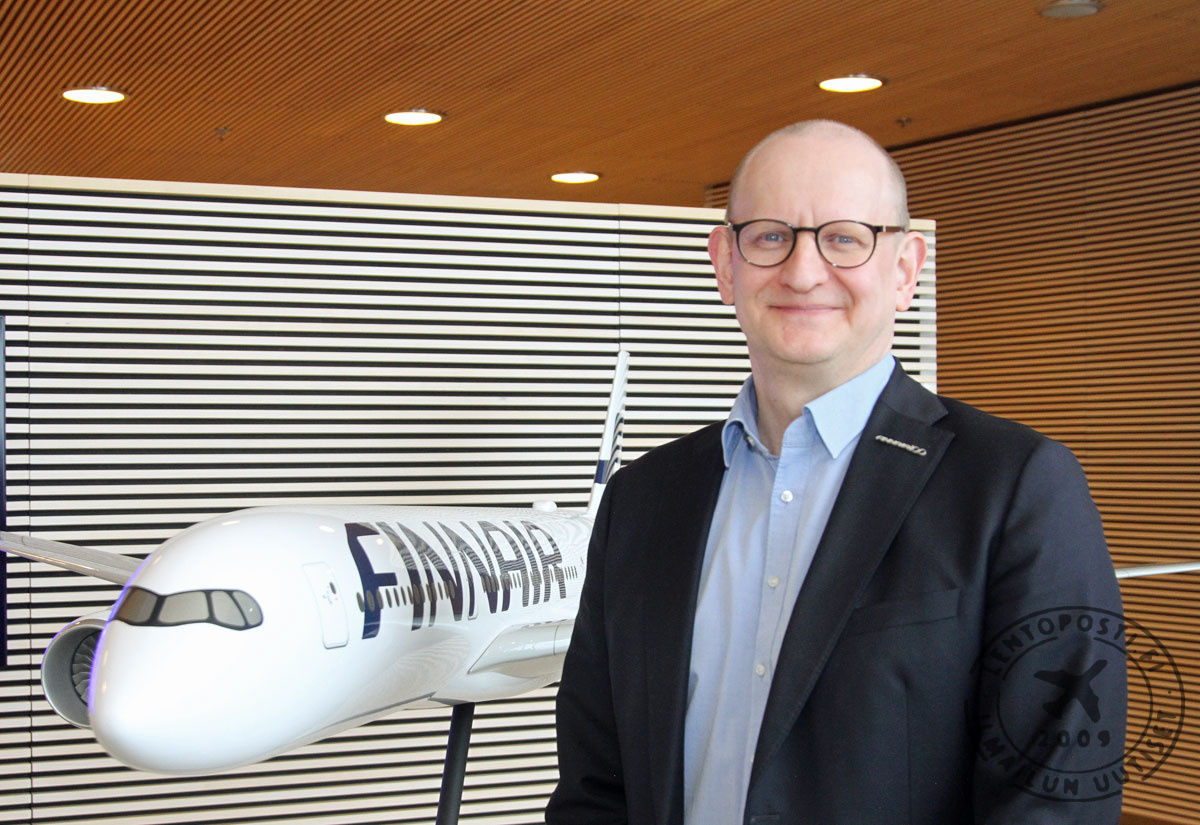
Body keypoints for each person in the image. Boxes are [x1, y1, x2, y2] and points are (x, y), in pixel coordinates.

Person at [545, 120, 1126, 825]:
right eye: (770, 236)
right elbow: (594, 786)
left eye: (845, 238)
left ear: (905, 270)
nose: (802, 271)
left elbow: (1054, 800)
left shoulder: (1014, 487)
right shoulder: (643, 501)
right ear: (725, 265)